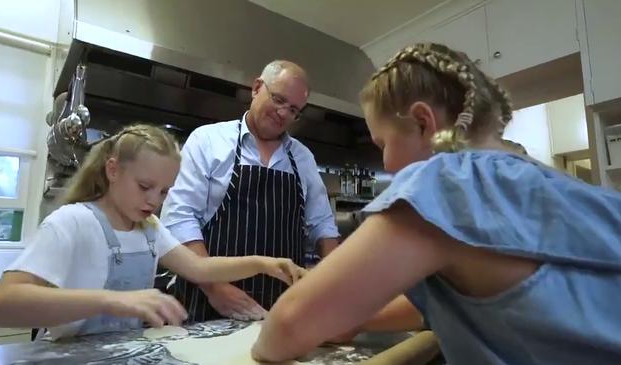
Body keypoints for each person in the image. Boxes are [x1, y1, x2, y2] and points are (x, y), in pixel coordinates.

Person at [252, 43, 621, 364]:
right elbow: (431, 305)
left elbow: (287, 325)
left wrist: (315, 317)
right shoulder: (562, 186)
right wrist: (353, 315)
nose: (387, 165)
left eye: (383, 144)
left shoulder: (448, 181)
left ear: (423, 122)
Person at [0, 124, 304, 340]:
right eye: (145, 186)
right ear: (112, 170)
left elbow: (200, 268)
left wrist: (264, 263)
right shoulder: (71, 223)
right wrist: (113, 301)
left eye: (165, 192)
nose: (154, 201)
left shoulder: (149, 228)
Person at [160, 60, 340, 322]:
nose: (283, 114)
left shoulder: (303, 158)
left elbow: (323, 225)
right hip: (208, 304)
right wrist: (215, 288)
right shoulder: (208, 141)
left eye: (293, 110)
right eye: (278, 100)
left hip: (281, 309)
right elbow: (180, 218)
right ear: (257, 88)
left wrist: (335, 284)